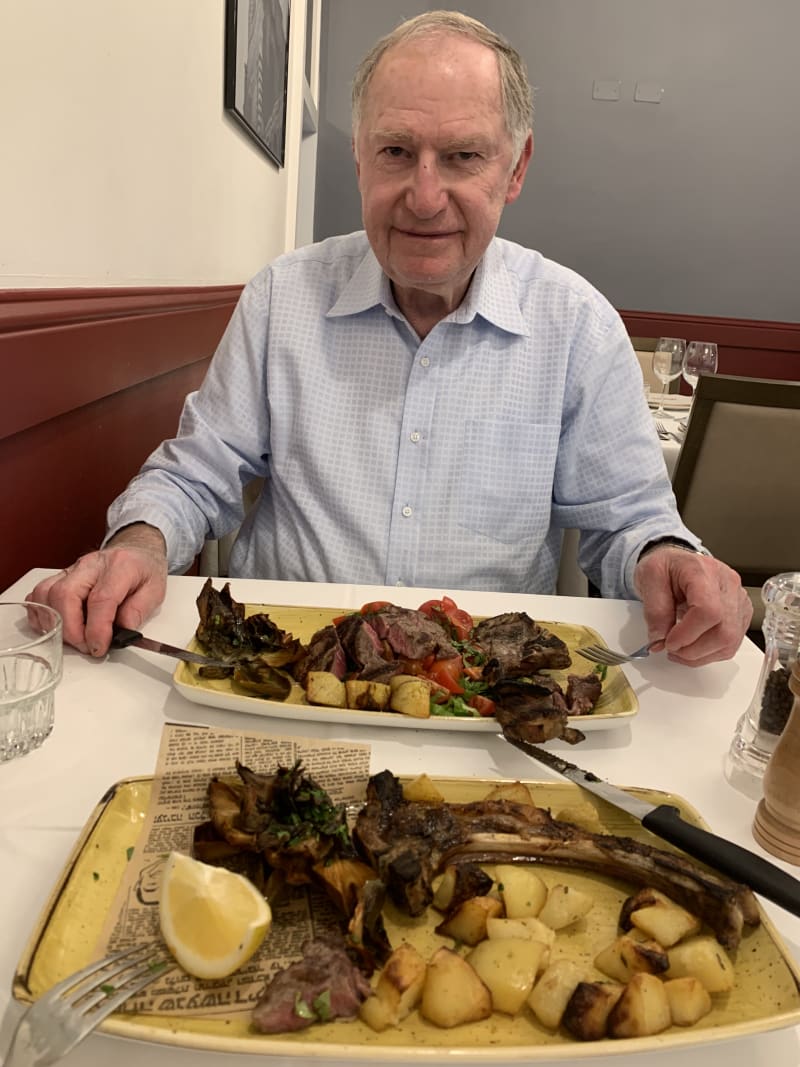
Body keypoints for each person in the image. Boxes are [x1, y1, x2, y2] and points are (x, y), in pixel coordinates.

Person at [29, 10, 751, 666]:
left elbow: (628, 517)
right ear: (360, 159)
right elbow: (196, 473)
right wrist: (140, 543)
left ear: (517, 167)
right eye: (397, 151)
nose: (425, 196)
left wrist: (668, 556)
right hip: (286, 673)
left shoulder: (578, 326)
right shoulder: (282, 298)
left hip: (479, 692)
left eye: (464, 157)